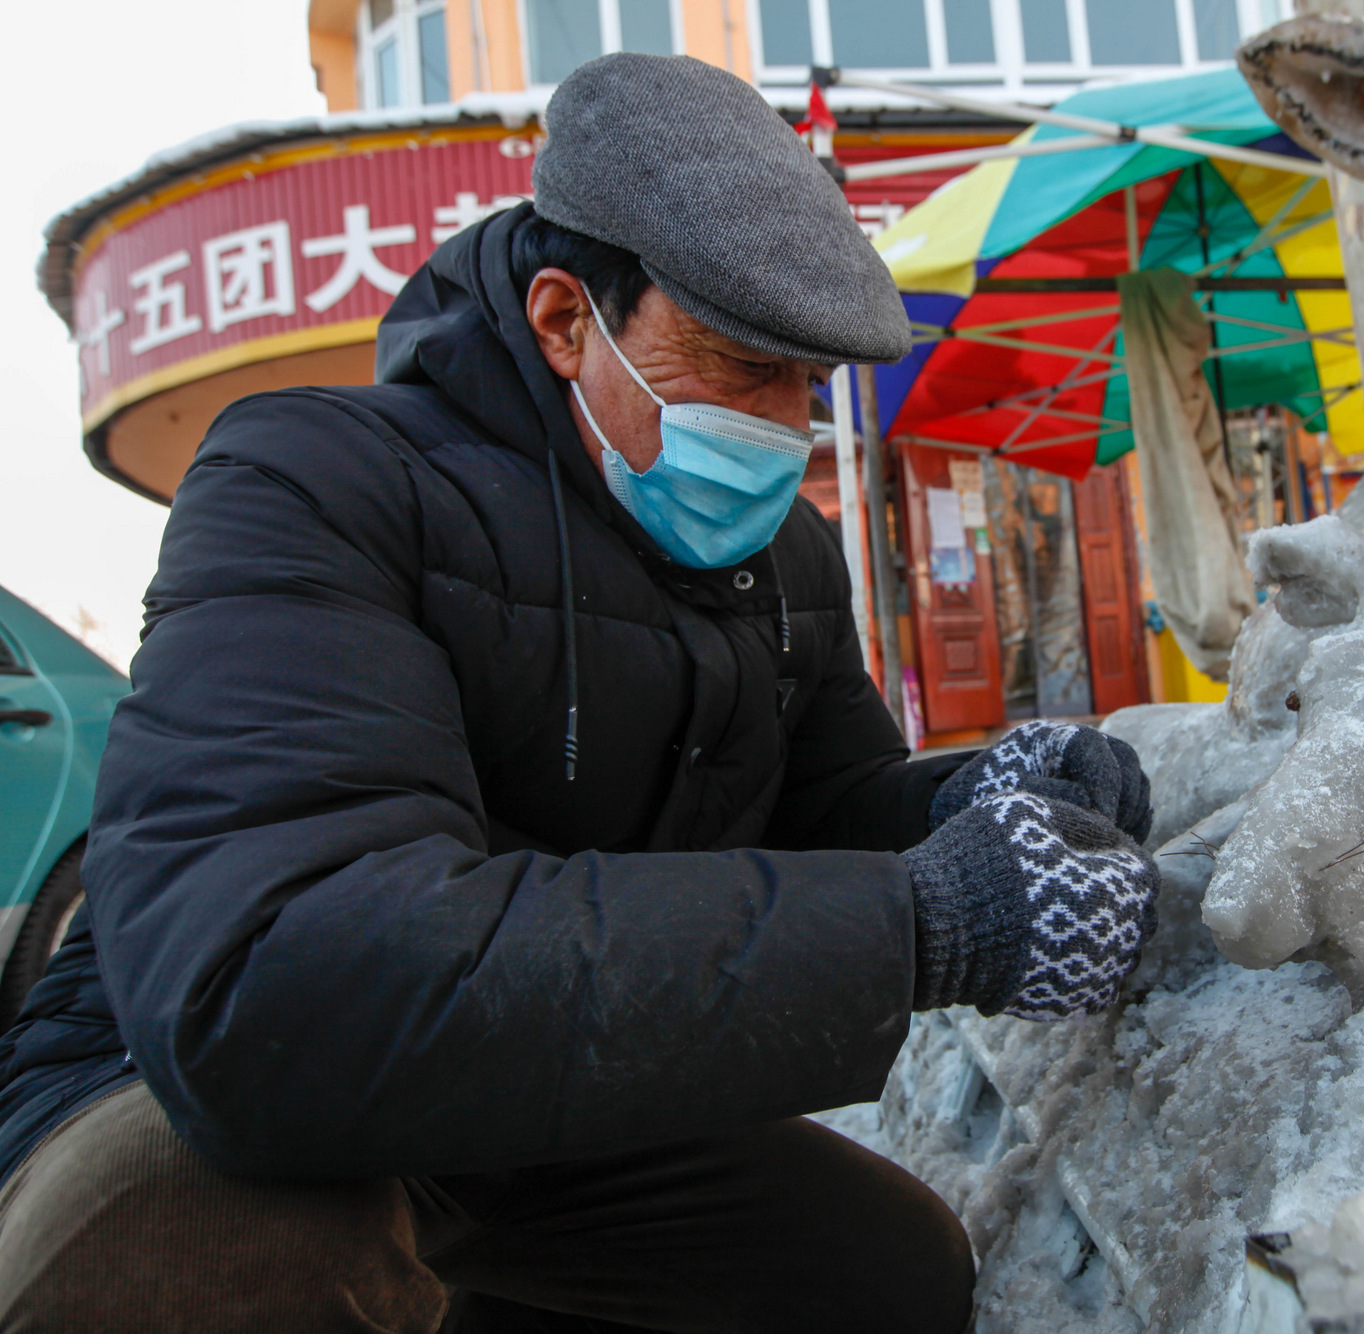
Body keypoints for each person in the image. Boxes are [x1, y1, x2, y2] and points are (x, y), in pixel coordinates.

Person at [0, 54, 1157, 1333]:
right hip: (198, 1086)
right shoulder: (310, 482)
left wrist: (973, 804)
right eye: (737, 366)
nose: (779, 428)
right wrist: (926, 924)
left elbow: (821, 811)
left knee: (884, 1266)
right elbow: (286, 980)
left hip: (533, 1095)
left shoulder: (783, 555)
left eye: (807, 388)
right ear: (564, 318)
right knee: (215, 1245)